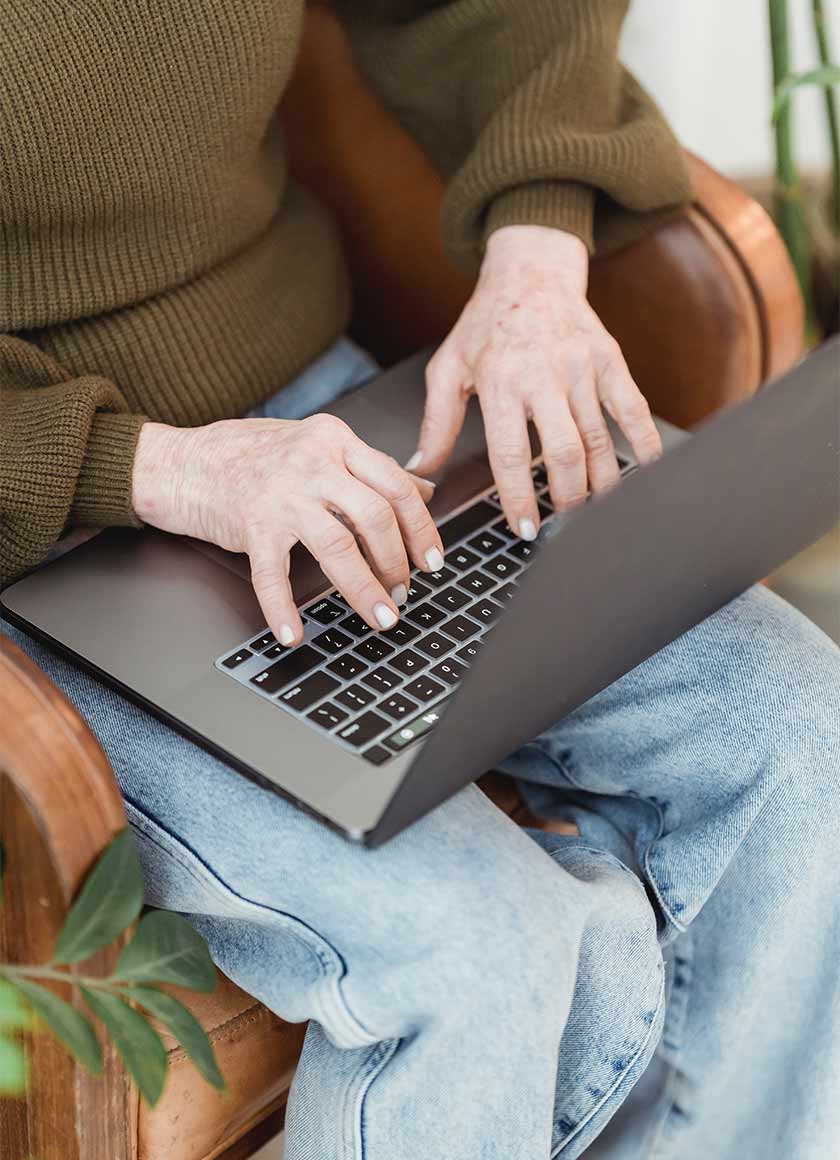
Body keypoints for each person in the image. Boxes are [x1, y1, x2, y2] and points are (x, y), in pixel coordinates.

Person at [1, 3, 838, 1157]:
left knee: (804, 734)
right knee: (482, 946)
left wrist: (537, 245)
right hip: (40, 536)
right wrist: (150, 465)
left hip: (337, 416)